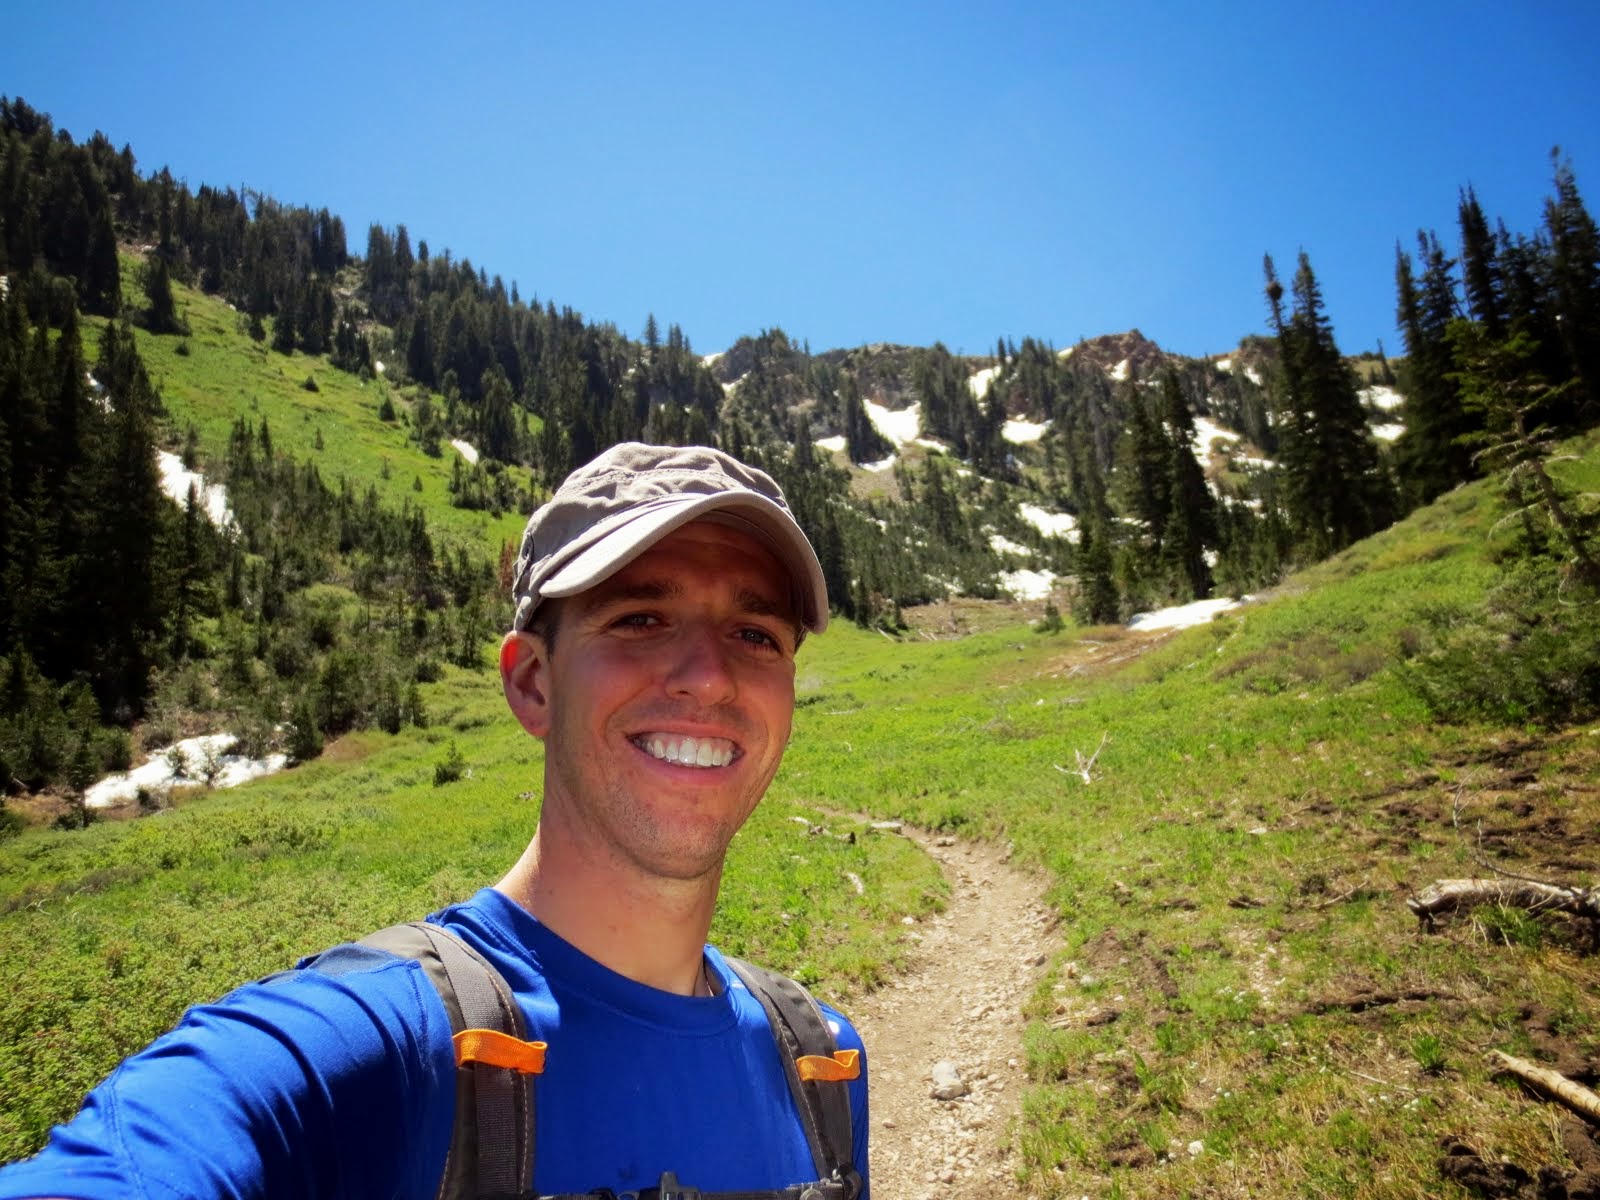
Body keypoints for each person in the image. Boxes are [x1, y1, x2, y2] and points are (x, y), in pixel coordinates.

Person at [0, 443, 869, 1200]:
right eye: (640, 618)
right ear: (532, 683)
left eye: (757, 634)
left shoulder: (824, 1065)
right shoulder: (371, 1048)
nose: (709, 678)